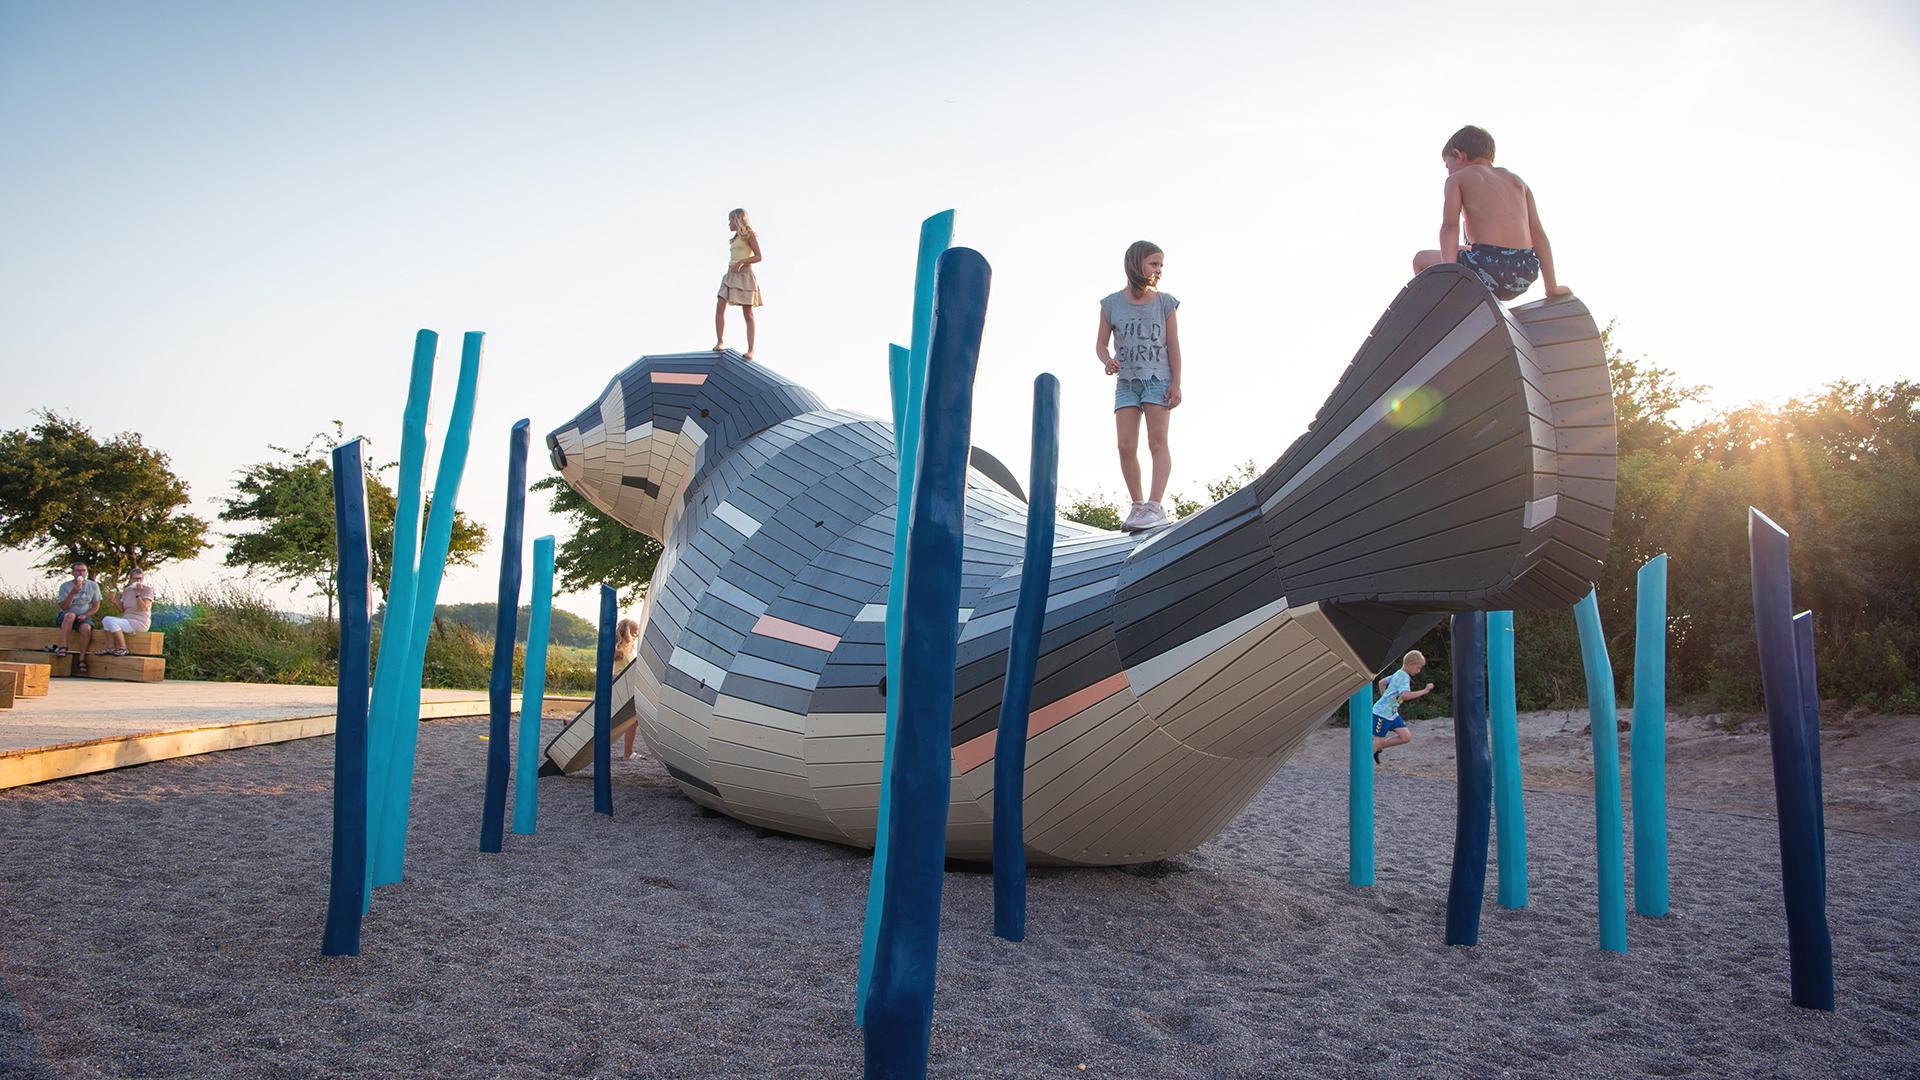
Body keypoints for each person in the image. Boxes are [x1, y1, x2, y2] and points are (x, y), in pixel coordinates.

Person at [1411, 125, 1571, 302]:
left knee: (1421, 259)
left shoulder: (1457, 179)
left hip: (1487, 269)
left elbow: (1449, 227)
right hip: (1524, 271)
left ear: (1458, 155)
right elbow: (1537, 233)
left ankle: (1436, 308)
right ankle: (1548, 288)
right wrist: (1551, 286)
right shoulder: (1518, 182)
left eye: (1447, 165)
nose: (1448, 171)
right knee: (1468, 248)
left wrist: (1451, 273)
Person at [1095, 240, 1183, 532]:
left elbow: (1173, 346)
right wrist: (1107, 360)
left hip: (1158, 380)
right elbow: (1100, 345)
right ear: (1136, 264)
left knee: (1156, 441)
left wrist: (1177, 383)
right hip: (1127, 383)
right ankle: (1137, 505)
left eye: (1160, 265)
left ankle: (1155, 506)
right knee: (1125, 445)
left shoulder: (1165, 303)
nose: (1158, 270)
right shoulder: (1110, 304)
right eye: (1153, 263)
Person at [712, 208, 763, 360]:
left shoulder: (749, 235)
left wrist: (742, 262)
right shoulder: (734, 239)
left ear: (738, 219)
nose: (729, 223)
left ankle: (751, 350)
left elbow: (759, 256)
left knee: (748, 313)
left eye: (730, 220)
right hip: (731, 274)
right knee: (720, 304)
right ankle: (720, 341)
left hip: (745, 274)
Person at [1372, 650, 1435, 764]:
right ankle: (1362, 765)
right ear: (1410, 664)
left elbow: (1381, 682)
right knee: (1378, 740)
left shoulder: (1399, 673)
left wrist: (1385, 698)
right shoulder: (1404, 677)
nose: (1419, 671)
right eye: (1418, 667)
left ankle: (1376, 748)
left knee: (1406, 737)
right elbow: (1405, 696)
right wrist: (1425, 691)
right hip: (1381, 714)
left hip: (1392, 713)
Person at [49, 562, 102, 674]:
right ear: (73, 573)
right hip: (67, 615)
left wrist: (86, 615)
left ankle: (81, 659)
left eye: (83, 570)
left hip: (83, 615)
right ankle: (63, 645)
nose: (81, 573)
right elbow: (64, 607)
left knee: (86, 628)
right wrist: (72, 593)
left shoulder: (93, 585)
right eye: (78, 570)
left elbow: (96, 605)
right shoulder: (65, 586)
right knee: (70, 615)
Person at [100, 566, 155, 656]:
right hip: (127, 620)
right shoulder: (127, 590)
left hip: (140, 622)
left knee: (108, 620)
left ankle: (123, 648)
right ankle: (110, 648)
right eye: (135, 578)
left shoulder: (147, 590)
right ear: (130, 579)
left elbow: (143, 607)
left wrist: (138, 593)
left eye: (140, 578)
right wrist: (114, 600)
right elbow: (122, 610)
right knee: (106, 621)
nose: (138, 581)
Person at [613, 618, 643, 758]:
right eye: (635, 633)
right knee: (632, 719)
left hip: (625, 683)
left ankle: (628, 751)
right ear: (628, 632)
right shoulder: (620, 648)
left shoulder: (628, 648)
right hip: (619, 683)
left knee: (632, 719)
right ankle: (628, 752)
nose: (636, 636)